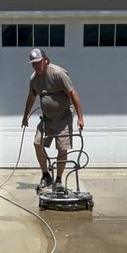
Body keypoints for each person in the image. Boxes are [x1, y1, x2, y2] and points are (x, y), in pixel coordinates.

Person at [22, 48, 85, 188]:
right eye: (33, 64)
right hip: (47, 118)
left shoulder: (57, 73)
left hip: (63, 119)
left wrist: (80, 118)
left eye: (38, 62)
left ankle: (58, 180)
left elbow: (73, 93)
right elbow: (31, 97)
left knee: (62, 148)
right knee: (37, 143)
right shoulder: (34, 79)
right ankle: (46, 175)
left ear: (45, 60)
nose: (36, 66)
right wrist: (25, 116)